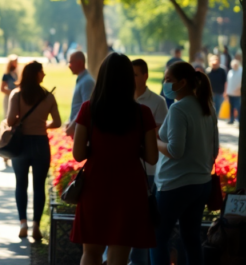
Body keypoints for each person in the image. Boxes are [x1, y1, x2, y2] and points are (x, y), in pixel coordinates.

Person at [70, 53, 159, 265]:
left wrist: (98, 149)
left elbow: (78, 154)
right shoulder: (142, 113)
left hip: (95, 185)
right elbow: (152, 157)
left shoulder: (88, 109)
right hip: (129, 188)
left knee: (90, 253)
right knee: (119, 257)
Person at [152, 61, 219, 265]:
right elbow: (214, 149)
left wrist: (154, 141)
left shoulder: (178, 109)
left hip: (174, 185)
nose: (165, 84)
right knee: (191, 239)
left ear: (182, 82)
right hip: (201, 184)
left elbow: (174, 150)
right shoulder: (207, 107)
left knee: (157, 239)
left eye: (168, 80)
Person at [5, 61, 61, 241]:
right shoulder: (48, 97)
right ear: (35, 74)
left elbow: (10, 121)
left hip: (21, 144)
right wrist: (43, 124)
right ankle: (36, 224)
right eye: (41, 72)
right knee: (39, 186)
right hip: (40, 143)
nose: (44, 75)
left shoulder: (17, 94)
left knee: (20, 184)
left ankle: (23, 223)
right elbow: (58, 122)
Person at [129, 59, 169, 265]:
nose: (131, 78)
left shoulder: (157, 102)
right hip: (127, 170)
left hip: (149, 170)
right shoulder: (122, 100)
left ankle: (139, 261)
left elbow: (160, 137)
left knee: (143, 220)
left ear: (145, 76)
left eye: (135, 74)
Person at [65, 51, 95, 137]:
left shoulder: (87, 81)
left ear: (80, 63)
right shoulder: (83, 80)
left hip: (81, 129)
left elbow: (86, 107)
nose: (69, 65)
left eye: (71, 62)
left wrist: (73, 125)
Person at [1, 54, 19, 122]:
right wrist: (12, 92)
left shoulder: (17, 74)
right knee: (7, 115)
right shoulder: (6, 75)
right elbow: (2, 88)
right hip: (8, 97)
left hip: (17, 97)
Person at [226, 59, 242, 124]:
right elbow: (228, 82)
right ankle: (231, 119)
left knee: (238, 108)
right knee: (231, 108)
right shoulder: (230, 72)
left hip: (238, 93)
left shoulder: (241, 71)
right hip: (230, 93)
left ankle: (239, 120)